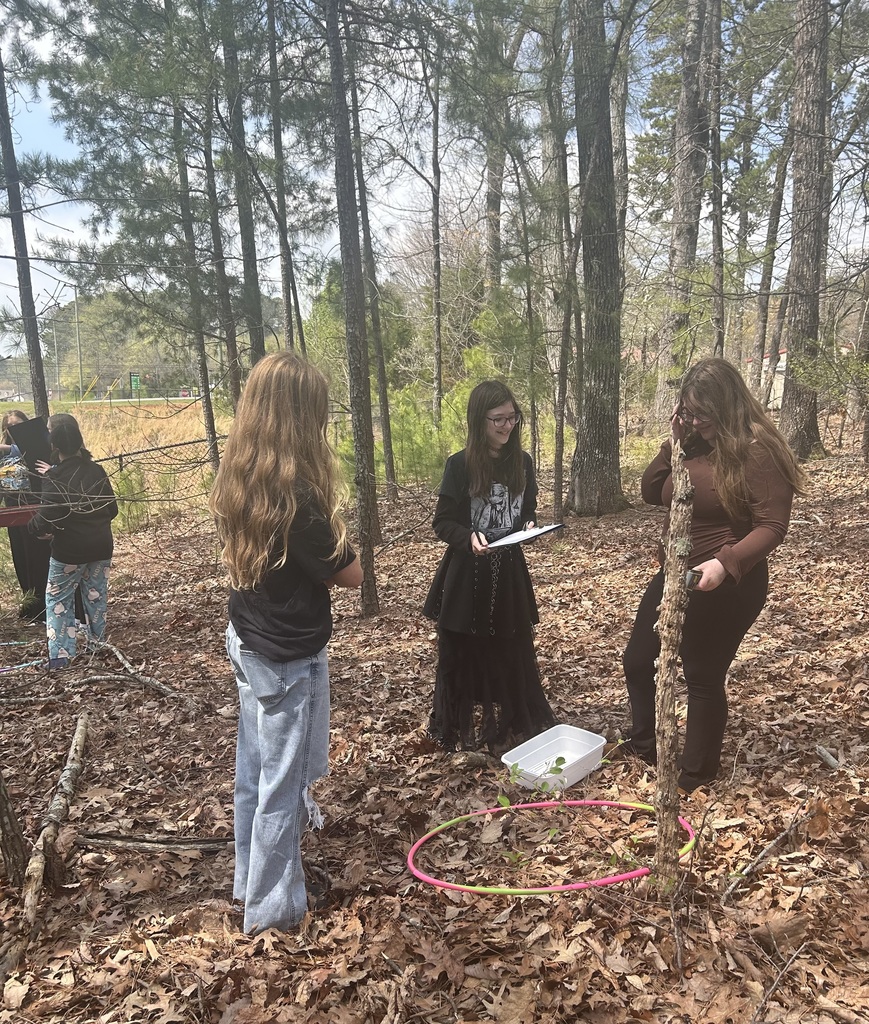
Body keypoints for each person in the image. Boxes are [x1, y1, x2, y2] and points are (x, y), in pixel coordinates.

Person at [209, 351, 363, 935]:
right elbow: (347, 574)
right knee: (281, 785)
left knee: (254, 772)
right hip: (285, 660)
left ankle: (251, 882)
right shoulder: (296, 494)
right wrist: (346, 532)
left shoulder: (242, 474)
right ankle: (273, 914)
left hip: (250, 642)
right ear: (298, 418)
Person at [622, 357, 806, 792]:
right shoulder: (691, 442)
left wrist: (726, 562)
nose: (695, 420)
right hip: (676, 572)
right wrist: (673, 443)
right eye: (687, 410)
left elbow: (773, 526)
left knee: (701, 674)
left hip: (728, 579)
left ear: (727, 406)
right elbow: (652, 492)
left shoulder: (755, 448)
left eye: (703, 412)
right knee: (636, 659)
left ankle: (695, 775)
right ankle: (644, 745)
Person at [423, 380, 556, 754]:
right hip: (468, 575)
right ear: (478, 420)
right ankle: (456, 726)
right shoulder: (460, 464)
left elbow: (526, 509)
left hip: (509, 572)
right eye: (498, 419)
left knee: (511, 645)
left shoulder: (523, 463)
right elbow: (443, 522)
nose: (506, 426)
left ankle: (512, 719)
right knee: (461, 649)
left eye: (512, 418)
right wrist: (467, 538)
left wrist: (529, 525)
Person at [27, 413, 118, 667]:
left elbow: (44, 518)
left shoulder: (55, 478)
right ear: (80, 442)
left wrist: (34, 528)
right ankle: (97, 645)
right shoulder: (97, 471)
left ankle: (60, 656)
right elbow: (112, 510)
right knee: (96, 596)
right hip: (101, 546)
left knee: (57, 599)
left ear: (54, 446)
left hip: (69, 552)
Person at [1, 410, 50, 622]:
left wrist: (9, 448)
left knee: (38, 558)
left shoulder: (34, 447)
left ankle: (43, 603)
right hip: (13, 511)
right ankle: (29, 602)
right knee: (21, 559)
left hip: (36, 509)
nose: (14, 431)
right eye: (10, 427)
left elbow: (34, 452)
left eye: (18, 426)